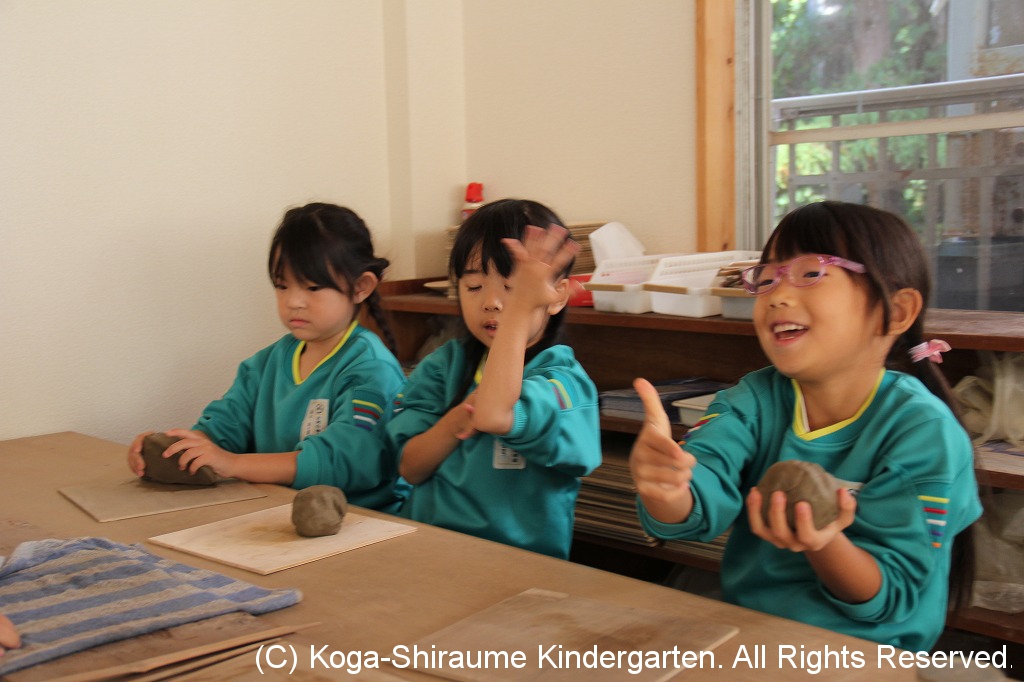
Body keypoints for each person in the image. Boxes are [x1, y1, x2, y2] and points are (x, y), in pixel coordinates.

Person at [630, 201, 981, 651]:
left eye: (811, 273)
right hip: (754, 640)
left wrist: (822, 542)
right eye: (767, 277)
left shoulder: (923, 432)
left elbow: (889, 597)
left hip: (868, 656)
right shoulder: (751, 401)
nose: (777, 295)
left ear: (896, 311)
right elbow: (697, 500)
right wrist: (665, 490)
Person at [127, 203, 407, 511]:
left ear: (360, 287)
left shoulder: (372, 370)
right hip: (275, 513)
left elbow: (341, 461)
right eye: (282, 286)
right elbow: (222, 429)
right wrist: (176, 450)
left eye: (313, 287)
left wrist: (233, 464)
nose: (294, 301)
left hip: (362, 521)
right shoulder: (265, 364)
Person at [386, 199, 601, 559]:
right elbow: (411, 468)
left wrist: (521, 308)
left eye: (513, 287)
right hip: (429, 550)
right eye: (474, 286)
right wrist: (457, 419)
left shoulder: (564, 382)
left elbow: (494, 415)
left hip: (520, 567)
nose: (492, 302)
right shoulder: (443, 366)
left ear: (558, 296)